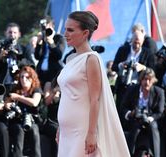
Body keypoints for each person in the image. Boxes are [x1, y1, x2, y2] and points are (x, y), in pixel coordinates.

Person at [56, 11, 130, 157]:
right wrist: (61, 126)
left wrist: (91, 133)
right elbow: (68, 96)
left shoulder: (91, 60)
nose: (65, 34)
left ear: (85, 33)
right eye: (65, 29)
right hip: (67, 131)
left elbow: (95, 99)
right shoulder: (70, 59)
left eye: (70, 30)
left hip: (82, 129)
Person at [112, 27, 156, 117]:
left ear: (143, 42)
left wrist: (143, 68)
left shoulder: (148, 53)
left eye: (139, 42)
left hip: (139, 87)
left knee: (134, 110)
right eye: (135, 42)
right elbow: (114, 67)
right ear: (131, 40)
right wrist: (121, 65)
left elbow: (153, 70)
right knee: (120, 110)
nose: (136, 45)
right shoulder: (123, 50)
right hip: (123, 86)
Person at [121, 68, 164, 157]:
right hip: (135, 118)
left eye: (149, 80)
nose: (147, 82)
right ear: (141, 80)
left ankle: (156, 155)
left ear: (153, 81)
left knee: (153, 127)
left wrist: (150, 118)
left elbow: (160, 112)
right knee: (135, 129)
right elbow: (123, 107)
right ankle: (128, 154)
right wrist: (130, 113)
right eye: (145, 79)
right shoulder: (132, 89)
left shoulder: (159, 92)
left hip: (151, 119)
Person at [6, 65, 41, 157]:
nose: (24, 79)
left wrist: (18, 97)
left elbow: (34, 103)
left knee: (34, 130)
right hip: (16, 121)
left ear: (32, 78)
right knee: (19, 130)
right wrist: (9, 105)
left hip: (32, 120)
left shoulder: (36, 90)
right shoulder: (15, 89)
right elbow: (6, 104)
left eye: (27, 77)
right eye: (22, 77)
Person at [34, 16, 65, 88]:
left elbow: (59, 55)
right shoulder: (42, 37)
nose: (46, 28)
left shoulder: (59, 38)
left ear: (53, 26)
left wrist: (51, 43)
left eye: (48, 25)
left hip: (53, 74)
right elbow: (37, 56)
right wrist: (39, 43)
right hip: (40, 74)